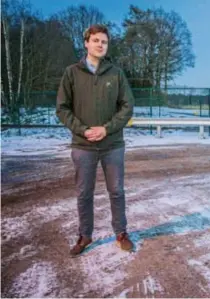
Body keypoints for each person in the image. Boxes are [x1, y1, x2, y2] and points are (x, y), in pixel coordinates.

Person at [56, 24, 135, 256]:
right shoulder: (71, 73)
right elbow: (62, 108)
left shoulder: (116, 73)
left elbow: (127, 106)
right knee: (84, 193)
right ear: (86, 43)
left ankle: (121, 233)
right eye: (96, 40)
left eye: (105, 42)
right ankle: (85, 236)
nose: (101, 45)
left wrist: (106, 128)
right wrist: (83, 130)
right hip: (83, 146)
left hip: (112, 145)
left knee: (117, 191)